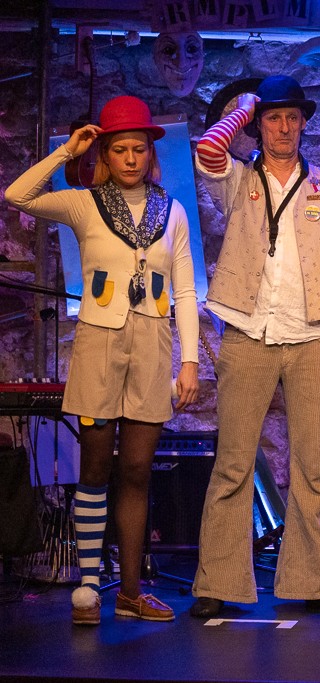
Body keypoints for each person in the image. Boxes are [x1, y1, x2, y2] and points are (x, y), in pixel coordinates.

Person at [5, 95, 200, 625]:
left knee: (136, 470)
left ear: (150, 153)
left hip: (153, 346)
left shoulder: (173, 211)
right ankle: (89, 587)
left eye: (139, 148)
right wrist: (67, 151)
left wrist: (189, 362)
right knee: (94, 468)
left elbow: (185, 291)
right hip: (99, 344)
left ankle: (131, 592)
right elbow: (17, 194)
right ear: (105, 155)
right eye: (120, 149)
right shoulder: (84, 204)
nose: (131, 158)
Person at [189, 75, 320, 618]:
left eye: (292, 117)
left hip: (312, 336)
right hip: (247, 331)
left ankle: (317, 582)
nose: (284, 127)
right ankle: (217, 583)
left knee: (312, 465)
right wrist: (242, 107)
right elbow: (207, 150)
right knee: (233, 463)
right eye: (273, 118)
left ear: (304, 122)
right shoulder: (237, 177)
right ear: (259, 125)